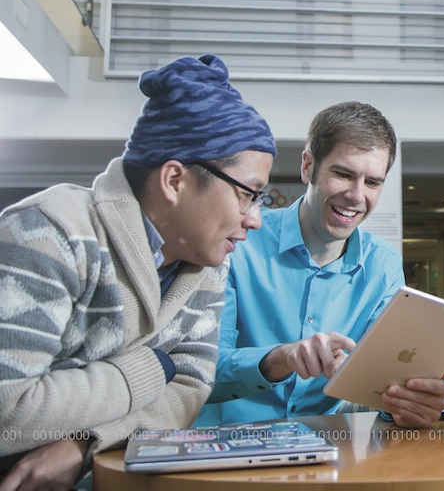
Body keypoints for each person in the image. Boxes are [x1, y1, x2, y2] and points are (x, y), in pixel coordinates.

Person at [0, 54, 275, 490]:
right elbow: (8, 410)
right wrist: (153, 368)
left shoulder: (207, 263)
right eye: (248, 194)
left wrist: (85, 442)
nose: (255, 219)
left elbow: (190, 388)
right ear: (174, 180)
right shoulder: (48, 232)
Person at [195, 101, 444, 429]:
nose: (356, 195)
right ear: (308, 167)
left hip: (329, 448)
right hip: (229, 443)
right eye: (343, 174)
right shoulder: (239, 243)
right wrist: (282, 358)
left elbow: (374, 385)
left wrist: (404, 402)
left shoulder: (383, 266)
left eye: (372, 182)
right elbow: (201, 369)